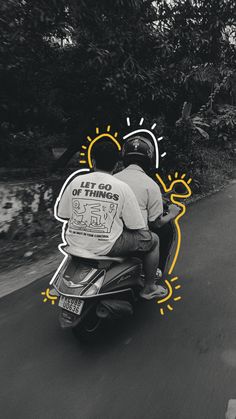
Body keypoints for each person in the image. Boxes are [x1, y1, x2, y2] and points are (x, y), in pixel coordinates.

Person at [57, 140, 167, 299]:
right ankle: (149, 287)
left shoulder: (75, 181)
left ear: (93, 161)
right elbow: (136, 225)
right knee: (154, 239)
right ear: (116, 164)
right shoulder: (121, 187)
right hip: (106, 246)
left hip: (74, 242)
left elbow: (63, 215)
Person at [114, 135, 180, 279]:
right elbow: (155, 223)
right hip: (133, 239)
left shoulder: (112, 179)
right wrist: (172, 214)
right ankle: (154, 275)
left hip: (110, 235)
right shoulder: (151, 185)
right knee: (165, 229)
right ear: (149, 159)